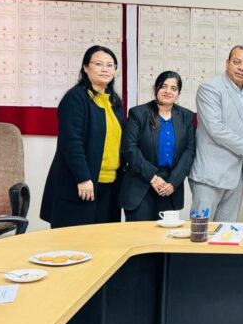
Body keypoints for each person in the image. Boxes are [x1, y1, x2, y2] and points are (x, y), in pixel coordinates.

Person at [40, 45, 125, 228]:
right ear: (86, 67)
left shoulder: (114, 102)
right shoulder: (76, 98)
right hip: (82, 184)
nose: (105, 69)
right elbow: (71, 143)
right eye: (98, 64)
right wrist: (83, 178)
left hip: (109, 185)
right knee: (76, 239)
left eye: (110, 65)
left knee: (105, 240)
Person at [189, 45, 243, 222]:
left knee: (226, 233)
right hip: (211, 176)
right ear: (227, 63)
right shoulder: (210, 88)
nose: (241, 68)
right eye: (236, 62)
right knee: (200, 231)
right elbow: (216, 129)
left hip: (237, 176)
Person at [119, 71, 196, 221]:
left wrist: (173, 182)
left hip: (169, 187)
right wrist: (153, 178)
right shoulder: (138, 113)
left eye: (173, 88)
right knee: (141, 233)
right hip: (140, 185)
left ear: (178, 93)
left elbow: (189, 151)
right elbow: (130, 149)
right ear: (155, 88)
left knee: (165, 234)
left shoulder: (186, 116)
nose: (168, 91)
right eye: (164, 86)